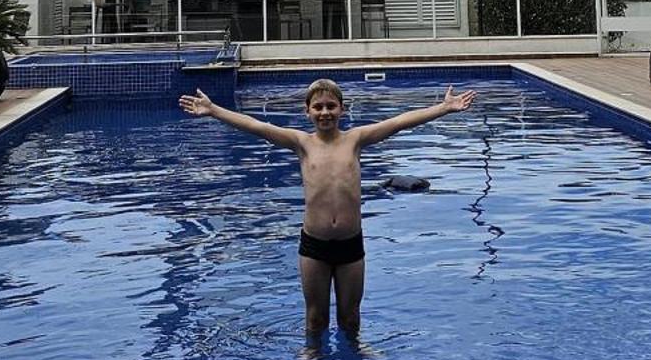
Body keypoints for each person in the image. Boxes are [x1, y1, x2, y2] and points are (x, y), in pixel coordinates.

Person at [178, 77, 475, 345]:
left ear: (342, 109)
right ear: (306, 111)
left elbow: (399, 122)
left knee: (350, 317)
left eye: (331, 106)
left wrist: (443, 108)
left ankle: (355, 347)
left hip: (350, 244)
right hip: (314, 246)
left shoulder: (355, 140)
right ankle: (313, 351)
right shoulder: (301, 143)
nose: (325, 112)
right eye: (318, 107)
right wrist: (214, 110)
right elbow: (258, 127)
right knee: (316, 317)